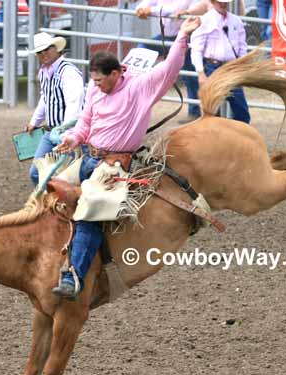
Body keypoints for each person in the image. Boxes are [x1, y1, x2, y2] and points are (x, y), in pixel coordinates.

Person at [51, 16, 202, 299]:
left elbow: (169, 69)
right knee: (46, 185)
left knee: (90, 213)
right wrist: (71, 138)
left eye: (100, 80)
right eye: (93, 81)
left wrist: (182, 35)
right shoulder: (94, 90)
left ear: (116, 73)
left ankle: (75, 276)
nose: (96, 86)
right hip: (88, 157)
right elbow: (85, 122)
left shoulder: (139, 88)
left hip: (115, 165)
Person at [135, 0, 209, 123]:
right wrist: (141, 9)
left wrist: (151, 10)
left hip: (185, 37)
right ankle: (137, 89)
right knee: (142, 48)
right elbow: (145, 3)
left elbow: (174, 9)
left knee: (189, 76)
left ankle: (194, 112)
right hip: (166, 36)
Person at [26, 32, 85, 186]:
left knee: (70, 177)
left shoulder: (68, 72)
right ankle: (52, 206)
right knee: (36, 172)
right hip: (51, 132)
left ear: (56, 49)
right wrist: (35, 121)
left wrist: (67, 134)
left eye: (46, 49)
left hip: (70, 133)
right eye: (39, 52)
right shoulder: (44, 72)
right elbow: (45, 98)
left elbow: (74, 104)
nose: (43, 54)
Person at [190, 0, 250, 123]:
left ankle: (236, 137)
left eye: (225, 2)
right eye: (220, 2)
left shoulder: (236, 21)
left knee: (241, 108)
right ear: (213, 2)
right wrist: (201, 73)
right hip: (212, 67)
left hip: (231, 68)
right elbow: (196, 49)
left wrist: (241, 66)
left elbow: (242, 46)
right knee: (212, 110)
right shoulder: (204, 20)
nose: (223, 4)